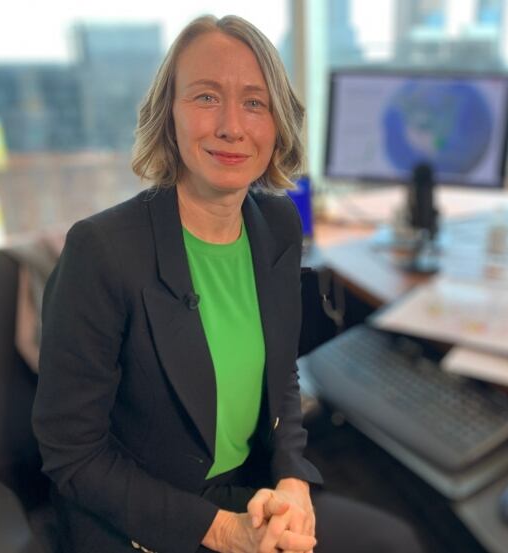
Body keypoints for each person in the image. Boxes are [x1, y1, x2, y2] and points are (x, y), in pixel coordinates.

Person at [32, 14, 425, 553]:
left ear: (277, 123)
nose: (232, 127)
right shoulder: (102, 251)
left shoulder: (279, 225)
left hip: (250, 493)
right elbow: (72, 453)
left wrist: (291, 478)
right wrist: (221, 530)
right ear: (168, 113)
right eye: (206, 97)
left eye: (255, 102)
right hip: (141, 518)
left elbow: (281, 373)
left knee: (395, 542)